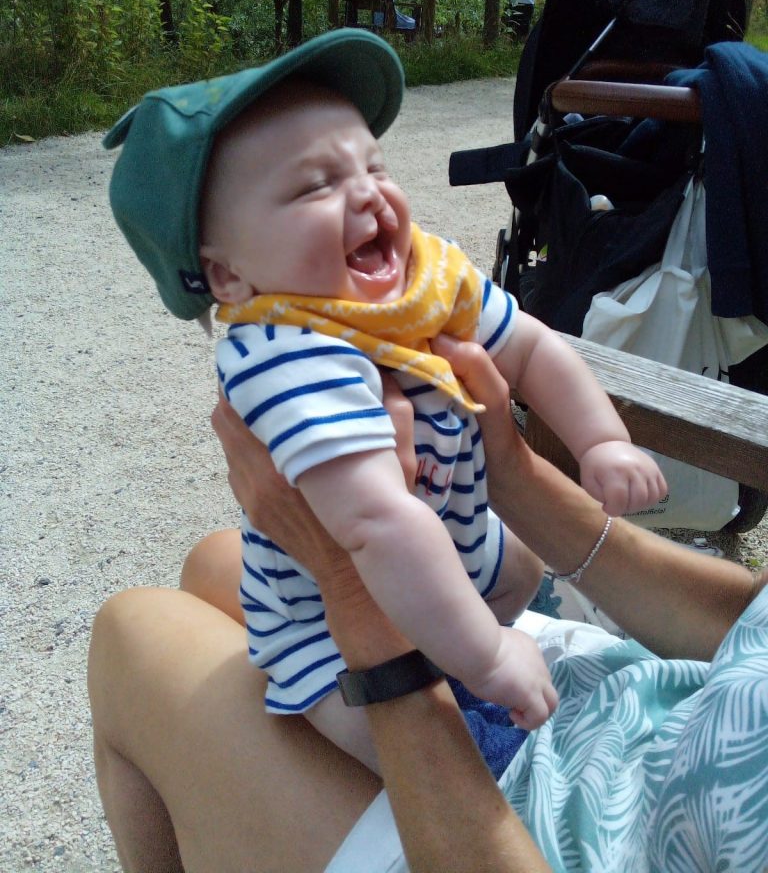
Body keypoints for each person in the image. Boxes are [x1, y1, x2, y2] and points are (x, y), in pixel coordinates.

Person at [104, 28, 666, 772]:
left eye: (373, 164)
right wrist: (488, 656)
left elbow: (528, 345)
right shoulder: (286, 353)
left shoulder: (421, 280)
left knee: (525, 567)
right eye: (314, 186)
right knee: (425, 741)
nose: (367, 192)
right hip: (331, 630)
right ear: (231, 278)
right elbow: (376, 523)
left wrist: (601, 441)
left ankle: (484, 643)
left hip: (463, 547)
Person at [87, 336, 768, 872]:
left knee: (130, 631)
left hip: (518, 825)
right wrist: (514, 471)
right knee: (217, 561)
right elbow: (747, 625)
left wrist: (347, 576)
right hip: (621, 711)